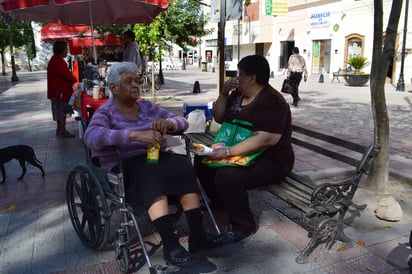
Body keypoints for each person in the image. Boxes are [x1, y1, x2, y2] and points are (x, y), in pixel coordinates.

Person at [83, 62, 220, 267]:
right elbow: (92, 137)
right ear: (113, 88)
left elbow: (182, 122)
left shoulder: (147, 107)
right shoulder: (106, 112)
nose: (135, 85)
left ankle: (198, 237)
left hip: (155, 158)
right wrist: (134, 135)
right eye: (128, 81)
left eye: (136, 80)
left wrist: (169, 123)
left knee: (183, 167)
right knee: (149, 175)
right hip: (127, 164)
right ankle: (170, 245)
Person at [194, 55, 294, 243]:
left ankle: (243, 225)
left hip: (271, 160)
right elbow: (219, 118)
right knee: (202, 161)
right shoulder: (237, 95)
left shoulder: (272, 101)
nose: (236, 78)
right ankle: (219, 203)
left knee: (228, 175)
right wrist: (223, 95)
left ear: (252, 78)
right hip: (242, 152)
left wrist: (229, 152)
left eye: (240, 74)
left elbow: (267, 139)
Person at [47, 40, 77, 138]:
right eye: (66, 49)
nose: (67, 51)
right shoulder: (58, 61)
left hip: (56, 91)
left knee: (59, 111)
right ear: (61, 50)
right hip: (60, 92)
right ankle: (62, 131)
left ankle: (59, 130)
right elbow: (66, 75)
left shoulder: (54, 59)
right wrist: (74, 79)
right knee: (62, 112)